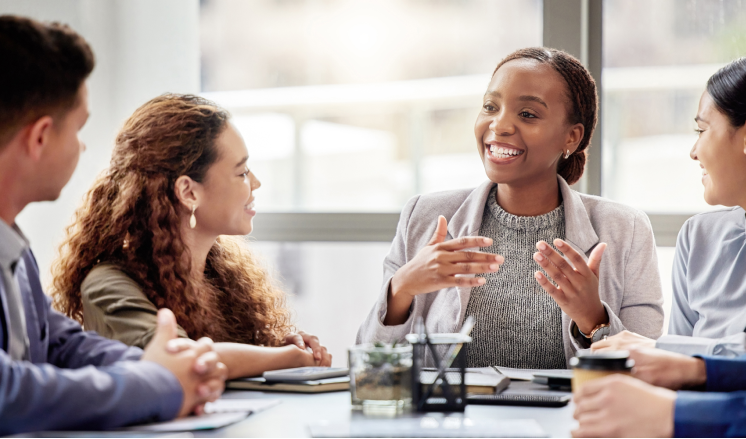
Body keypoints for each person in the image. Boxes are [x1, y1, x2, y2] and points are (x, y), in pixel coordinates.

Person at [357, 47, 664, 369]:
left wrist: (594, 320)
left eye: (528, 114)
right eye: (491, 106)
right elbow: (370, 366)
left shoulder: (625, 229)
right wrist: (402, 287)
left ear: (571, 137)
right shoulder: (424, 216)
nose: (499, 125)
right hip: (453, 419)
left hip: (572, 419)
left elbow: (647, 371)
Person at [0, 15, 227, 434]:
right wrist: (155, 383)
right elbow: (8, 391)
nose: (83, 146)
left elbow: (59, 343)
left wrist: (177, 366)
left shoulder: (13, 248)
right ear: (40, 138)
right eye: (79, 128)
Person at [50, 93, 332, 379]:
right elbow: (182, 361)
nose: (256, 183)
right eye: (242, 172)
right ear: (188, 192)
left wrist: (277, 349)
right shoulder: (109, 284)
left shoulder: (224, 277)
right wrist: (284, 359)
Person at [574, 57, 746, 438]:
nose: (694, 151)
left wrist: (679, 361)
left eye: (702, 130)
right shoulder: (699, 238)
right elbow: (670, 377)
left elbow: (679, 368)